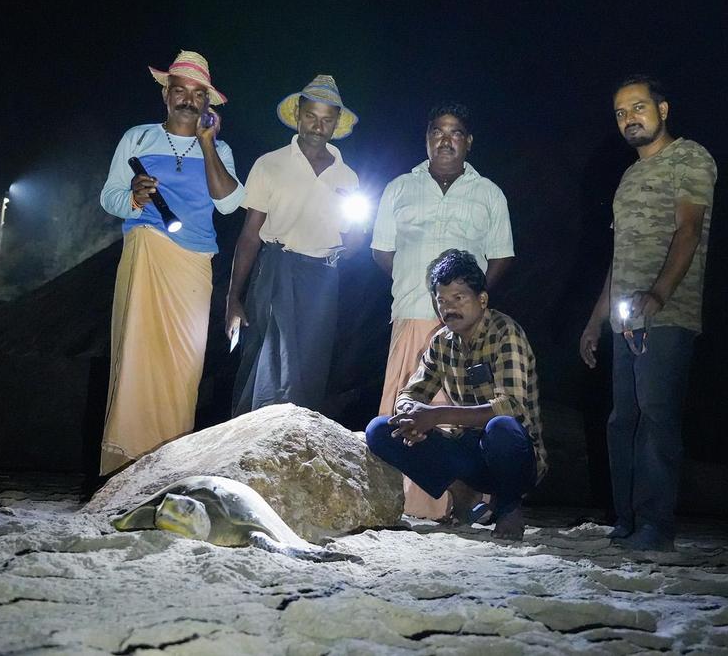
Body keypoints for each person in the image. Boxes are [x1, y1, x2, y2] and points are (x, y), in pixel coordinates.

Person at [579, 75, 717, 552]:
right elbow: (618, 257)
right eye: (620, 112)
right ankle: (628, 520)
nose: (629, 118)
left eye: (638, 107)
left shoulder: (691, 157)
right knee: (622, 419)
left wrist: (658, 295)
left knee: (657, 416)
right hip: (623, 318)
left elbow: (688, 230)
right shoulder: (628, 176)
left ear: (663, 109)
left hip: (668, 313)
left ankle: (656, 526)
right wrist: (596, 320)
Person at [97, 50, 245, 476]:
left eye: (198, 94)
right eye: (179, 90)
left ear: (207, 103)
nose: (187, 100)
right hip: (145, 253)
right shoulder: (137, 138)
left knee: (184, 367)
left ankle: (169, 467)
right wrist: (134, 198)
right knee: (136, 357)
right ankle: (121, 468)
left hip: (193, 264)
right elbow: (108, 195)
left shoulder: (220, 149)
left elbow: (231, 202)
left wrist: (207, 144)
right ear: (166, 94)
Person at [370, 103, 515, 519]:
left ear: (468, 142)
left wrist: (468, 304)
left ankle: (467, 500)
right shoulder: (399, 188)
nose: (446, 140)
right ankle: (411, 504)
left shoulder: (489, 193)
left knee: (462, 411)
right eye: (438, 131)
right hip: (413, 312)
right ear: (427, 137)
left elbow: (501, 258)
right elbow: (383, 253)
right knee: (406, 407)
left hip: (465, 329)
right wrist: (418, 285)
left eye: (455, 133)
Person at [366, 249, 546, 541]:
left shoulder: (505, 333)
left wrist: (436, 415)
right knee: (380, 430)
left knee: (501, 427)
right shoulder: (441, 342)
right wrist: (412, 417)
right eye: (441, 300)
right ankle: (463, 493)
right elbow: (411, 393)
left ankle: (509, 507)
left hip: (515, 456)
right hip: (470, 452)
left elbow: (511, 407)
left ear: (482, 300)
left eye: (458, 298)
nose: (448, 308)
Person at [226, 75, 361, 415]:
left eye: (327, 119)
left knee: (309, 366)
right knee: (265, 360)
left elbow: (354, 246)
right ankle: (249, 441)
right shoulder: (269, 164)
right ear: (298, 116)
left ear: (335, 124)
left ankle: (293, 448)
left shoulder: (348, 178)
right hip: (276, 270)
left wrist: (356, 221)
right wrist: (233, 296)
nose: (318, 125)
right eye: (311, 116)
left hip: (321, 281)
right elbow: (249, 235)